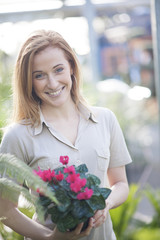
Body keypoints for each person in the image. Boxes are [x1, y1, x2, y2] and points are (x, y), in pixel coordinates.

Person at [0, 29, 132, 240]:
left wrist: (105, 204)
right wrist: (50, 238)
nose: (52, 83)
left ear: (71, 66)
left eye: (58, 69)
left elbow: (121, 184)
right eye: (39, 75)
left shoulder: (105, 119)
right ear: (29, 81)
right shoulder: (18, 136)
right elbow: (5, 211)